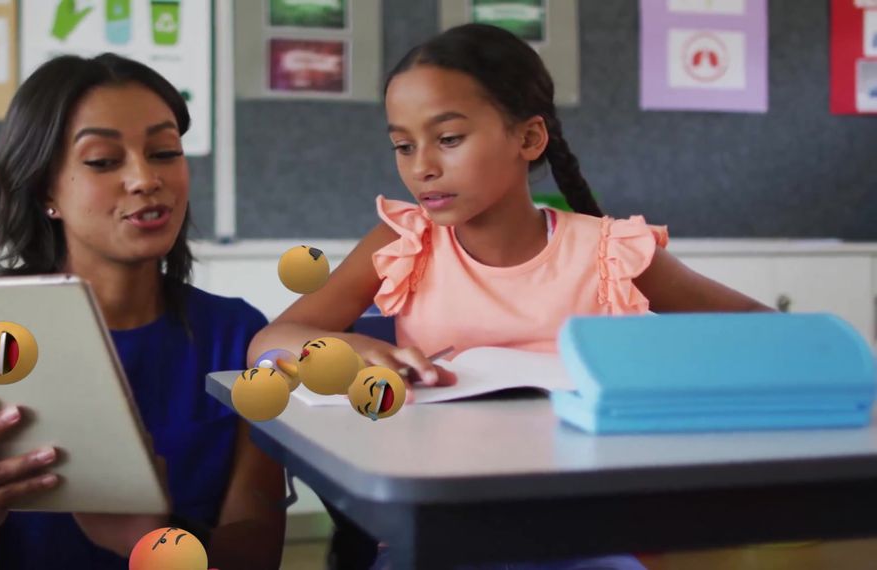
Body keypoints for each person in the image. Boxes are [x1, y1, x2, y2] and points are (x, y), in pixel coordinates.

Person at [248, 23, 770, 570]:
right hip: (441, 528)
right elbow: (269, 341)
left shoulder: (612, 251)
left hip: (580, 533)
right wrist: (349, 350)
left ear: (528, 138)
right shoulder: (404, 243)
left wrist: (665, 376)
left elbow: (764, 332)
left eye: (448, 139)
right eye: (403, 145)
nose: (421, 166)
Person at [0, 53, 286, 570]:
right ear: (45, 190)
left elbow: (257, 558)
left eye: (165, 151)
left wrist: (151, 542)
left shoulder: (238, 338)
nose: (145, 178)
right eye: (102, 161)